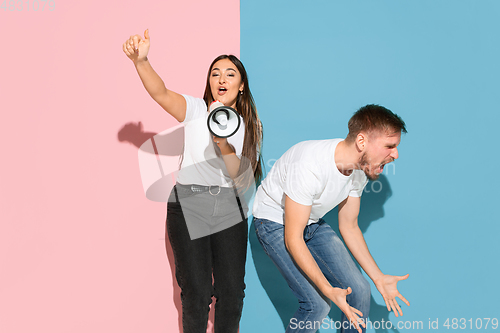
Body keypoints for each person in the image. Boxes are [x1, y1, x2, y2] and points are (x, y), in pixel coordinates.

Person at [123, 29, 263, 333]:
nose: (222, 79)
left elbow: (239, 177)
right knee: (196, 293)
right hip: (188, 203)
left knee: (231, 295)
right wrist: (141, 61)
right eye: (215, 73)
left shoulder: (250, 124)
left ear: (241, 86)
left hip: (228, 206)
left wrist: (222, 143)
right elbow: (161, 92)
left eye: (230, 74)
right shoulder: (197, 110)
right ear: (210, 82)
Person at [252, 105, 409, 333]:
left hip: (311, 221)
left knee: (361, 291)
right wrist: (327, 288)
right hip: (275, 222)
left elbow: (350, 226)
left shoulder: (360, 168)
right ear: (362, 142)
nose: (395, 154)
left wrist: (378, 278)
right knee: (317, 305)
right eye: (389, 146)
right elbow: (293, 239)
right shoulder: (308, 165)